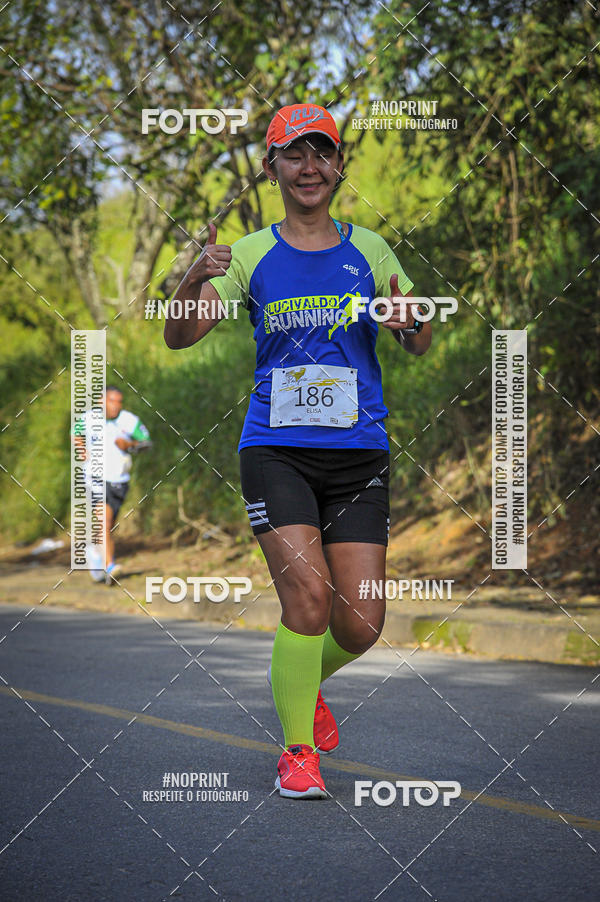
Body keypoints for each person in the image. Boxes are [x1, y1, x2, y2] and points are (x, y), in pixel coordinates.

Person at [164, 103, 432, 799]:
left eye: (322, 153)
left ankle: (303, 680)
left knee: (363, 619)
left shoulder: (370, 249)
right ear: (271, 166)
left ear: (339, 165)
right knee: (309, 600)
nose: (308, 166)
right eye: (294, 154)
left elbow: (417, 334)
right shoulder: (249, 253)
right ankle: (297, 752)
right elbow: (181, 336)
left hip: (359, 453)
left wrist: (413, 321)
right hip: (276, 451)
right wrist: (192, 278)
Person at [73, 386, 151, 584]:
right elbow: (75, 433)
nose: (115, 406)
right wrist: (82, 449)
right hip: (95, 477)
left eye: (119, 401)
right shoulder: (88, 418)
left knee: (108, 525)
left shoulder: (129, 420)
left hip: (120, 480)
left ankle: (96, 554)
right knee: (104, 522)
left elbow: (146, 443)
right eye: (111, 401)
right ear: (101, 401)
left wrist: (129, 445)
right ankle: (110, 566)